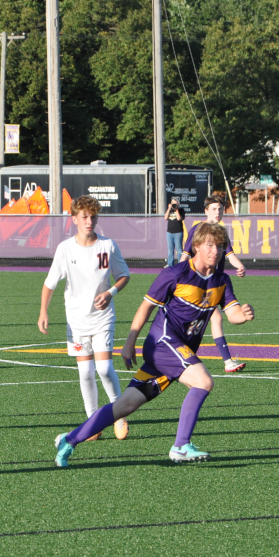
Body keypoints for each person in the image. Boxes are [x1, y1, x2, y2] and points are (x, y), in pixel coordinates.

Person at [55, 222, 255, 467]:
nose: (216, 250)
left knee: (125, 405)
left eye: (220, 246)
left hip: (175, 354)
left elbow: (233, 314)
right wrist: (130, 343)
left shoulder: (221, 280)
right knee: (203, 382)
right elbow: (146, 307)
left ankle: (69, 439)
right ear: (196, 246)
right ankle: (181, 446)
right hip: (163, 343)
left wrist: (244, 315)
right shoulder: (175, 273)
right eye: (210, 245)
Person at [39, 196, 131, 440]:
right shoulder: (65, 249)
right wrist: (43, 311)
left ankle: (119, 414)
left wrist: (110, 293)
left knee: (104, 368)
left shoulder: (108, 245)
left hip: (102, 318)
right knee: (86, 373)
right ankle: (93, 422)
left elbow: (124, 275)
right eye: (85, 217)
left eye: (93, 216)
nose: (89, 221)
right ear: (74, 219)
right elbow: (49, 283)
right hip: (77, 321)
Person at [181, 195, 247, 373]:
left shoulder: (221, 232)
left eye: (220, 209)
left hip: (214, 283)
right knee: (210, 318)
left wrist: (240, 266)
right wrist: (179, 276)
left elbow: (230, 255)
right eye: (214, 209)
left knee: (211, 319)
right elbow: (185, 255)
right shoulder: (197, 230)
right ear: (206, 211)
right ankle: (226, 361)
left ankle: (226, 362)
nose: (218, 212)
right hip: (197, 282)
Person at [164, 198, 185, 267]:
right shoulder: (170, 210)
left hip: (178, 232)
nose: (174, 205)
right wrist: (169, 208)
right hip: (170, 232)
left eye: (175, 204)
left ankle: (180, 264)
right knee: (170, 249)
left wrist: (176, 209)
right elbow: (165, 218)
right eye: (173, 204)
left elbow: (179, 218)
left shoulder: (181, 210)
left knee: (179, 249)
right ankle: (170, 264)